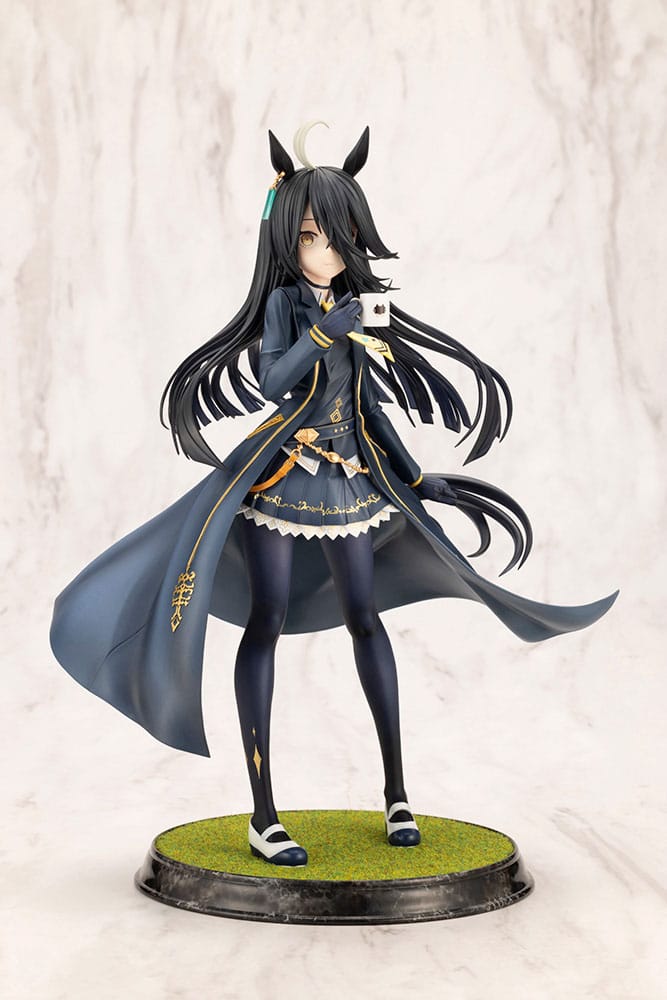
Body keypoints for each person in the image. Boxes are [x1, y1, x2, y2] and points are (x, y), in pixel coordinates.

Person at [50, 126, 617, 868]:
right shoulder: (287, 304)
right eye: (312, 236)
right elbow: (271, 382)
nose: (326, 251)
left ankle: (397, 794)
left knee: (365, 619)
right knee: (266, 621)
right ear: (287, 237)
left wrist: (417, 477)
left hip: (352, 483)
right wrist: (323, 335)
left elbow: (368, 405)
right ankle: (263, 815)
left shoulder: (352, 305)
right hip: (282, 481)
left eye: (338, 235)